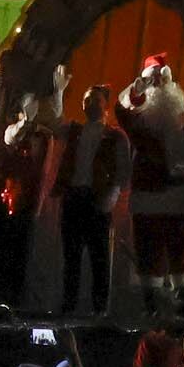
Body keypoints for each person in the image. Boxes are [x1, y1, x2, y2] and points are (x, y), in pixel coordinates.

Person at [118, 61, 184, 326]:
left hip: (183, 197)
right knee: (150, 251)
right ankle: (152, 305)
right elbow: (122, 111)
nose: (159, 85)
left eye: (163, 80)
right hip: (149, 196)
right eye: (154, 81)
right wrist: (136, 90)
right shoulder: (140, 121)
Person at [0, 72, 65, 317]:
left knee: (21, 253)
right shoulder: (11, 130)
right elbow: (10, 138)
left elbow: (56, 122)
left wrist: (59, 92)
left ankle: (17, 303)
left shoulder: (41, 134)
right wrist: (21, 125)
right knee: (1, 250)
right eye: (25, 104)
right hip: (4, 200)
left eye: (32, 105)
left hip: (28, 202)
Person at [60, 81, 132, 318]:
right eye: (87, 99)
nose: (90, 104)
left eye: (95, 100)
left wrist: (112, 194)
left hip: (96, 198)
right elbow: (53, 122)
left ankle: (99, 309)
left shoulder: (114, 136)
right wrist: (59, 91)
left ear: (105, 105)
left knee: (98, 256)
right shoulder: (75, 131)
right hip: (74, 198)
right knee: (71, 256)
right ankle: (69, 305)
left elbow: (123, 170)